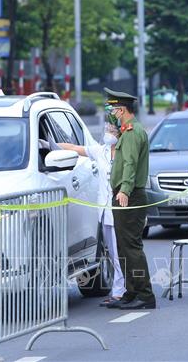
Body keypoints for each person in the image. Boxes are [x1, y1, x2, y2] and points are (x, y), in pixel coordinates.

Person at [54, 124, 127, 306]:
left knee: (121, 253)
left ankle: (122, 292)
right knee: (113, 254)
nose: (107, 134)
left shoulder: (126, 153)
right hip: (105, 210)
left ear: (120, 133)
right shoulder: (100, 151)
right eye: (107, 130)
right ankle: (119, 291)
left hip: (121, 209)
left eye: (111, 131)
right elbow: (74, 149)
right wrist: (48, 144)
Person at [103, 87, 156, 310]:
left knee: (131, 246)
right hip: (125, 195)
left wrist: (124, 189)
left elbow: (130, 164)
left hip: (130, 196)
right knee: (123, 247)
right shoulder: (126, 131)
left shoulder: (133, 133)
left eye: (112, 109)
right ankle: (131, 291)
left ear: (121, 109)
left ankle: (144, 294)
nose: (110, 113)